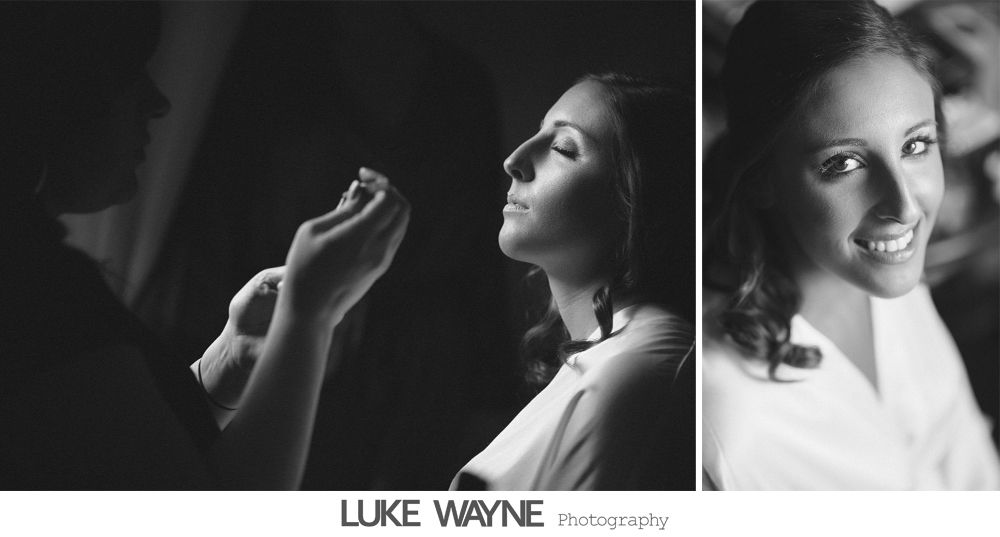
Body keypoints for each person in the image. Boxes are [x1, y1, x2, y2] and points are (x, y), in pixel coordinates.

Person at [0, 3, 410, 489]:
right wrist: (309, 314)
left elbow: (129, 465)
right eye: (128, 74)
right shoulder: (30, 290)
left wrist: (231, 359)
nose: (157, 102)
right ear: (47, 92)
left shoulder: (33, 275)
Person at [702, 0, 1000, 490]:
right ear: (761, 179)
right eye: (842, 164)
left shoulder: (889, 276)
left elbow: (965, 456)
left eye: (915, 146)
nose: (904, 207)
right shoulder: (731, 426)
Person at [450, 73, 695, 490]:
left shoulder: (637, 372)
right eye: (538, 133)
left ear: (636, 199)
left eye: (563, 148)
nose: (514, 160)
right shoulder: (610, 358)